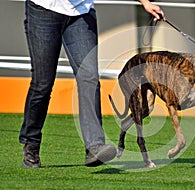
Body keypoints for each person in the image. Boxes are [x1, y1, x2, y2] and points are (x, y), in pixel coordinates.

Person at [19, 0, 165, 168]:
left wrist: (145, 2)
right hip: (43, 10)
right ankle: (31, 144)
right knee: (42, 84)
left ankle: (94, 147)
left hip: (81, 13)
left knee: (89, 78)